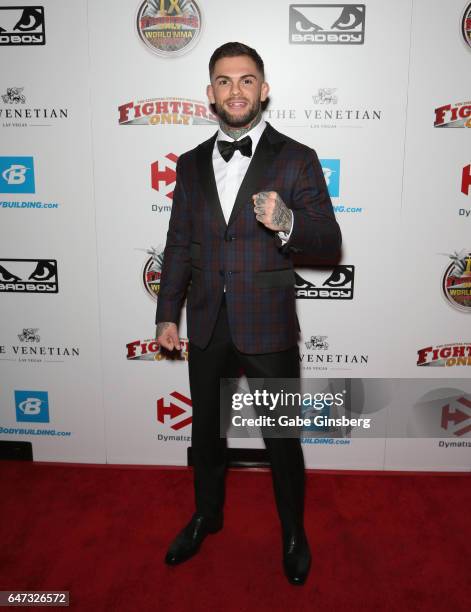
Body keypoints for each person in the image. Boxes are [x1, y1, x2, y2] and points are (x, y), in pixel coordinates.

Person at [155, 41, 341, 585]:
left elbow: (328, 241)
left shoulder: (296, 157)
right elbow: (179, 243)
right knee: (206, 434)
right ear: (209, 93)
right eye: (223, 81)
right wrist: (169, 314)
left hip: (269, 325)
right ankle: (205, 516)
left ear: (264, 89)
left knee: (281, 439)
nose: (235, 90)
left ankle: (292, 531)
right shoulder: (188, 165)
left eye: (246, 80)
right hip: (208, 320)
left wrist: (288, 221)